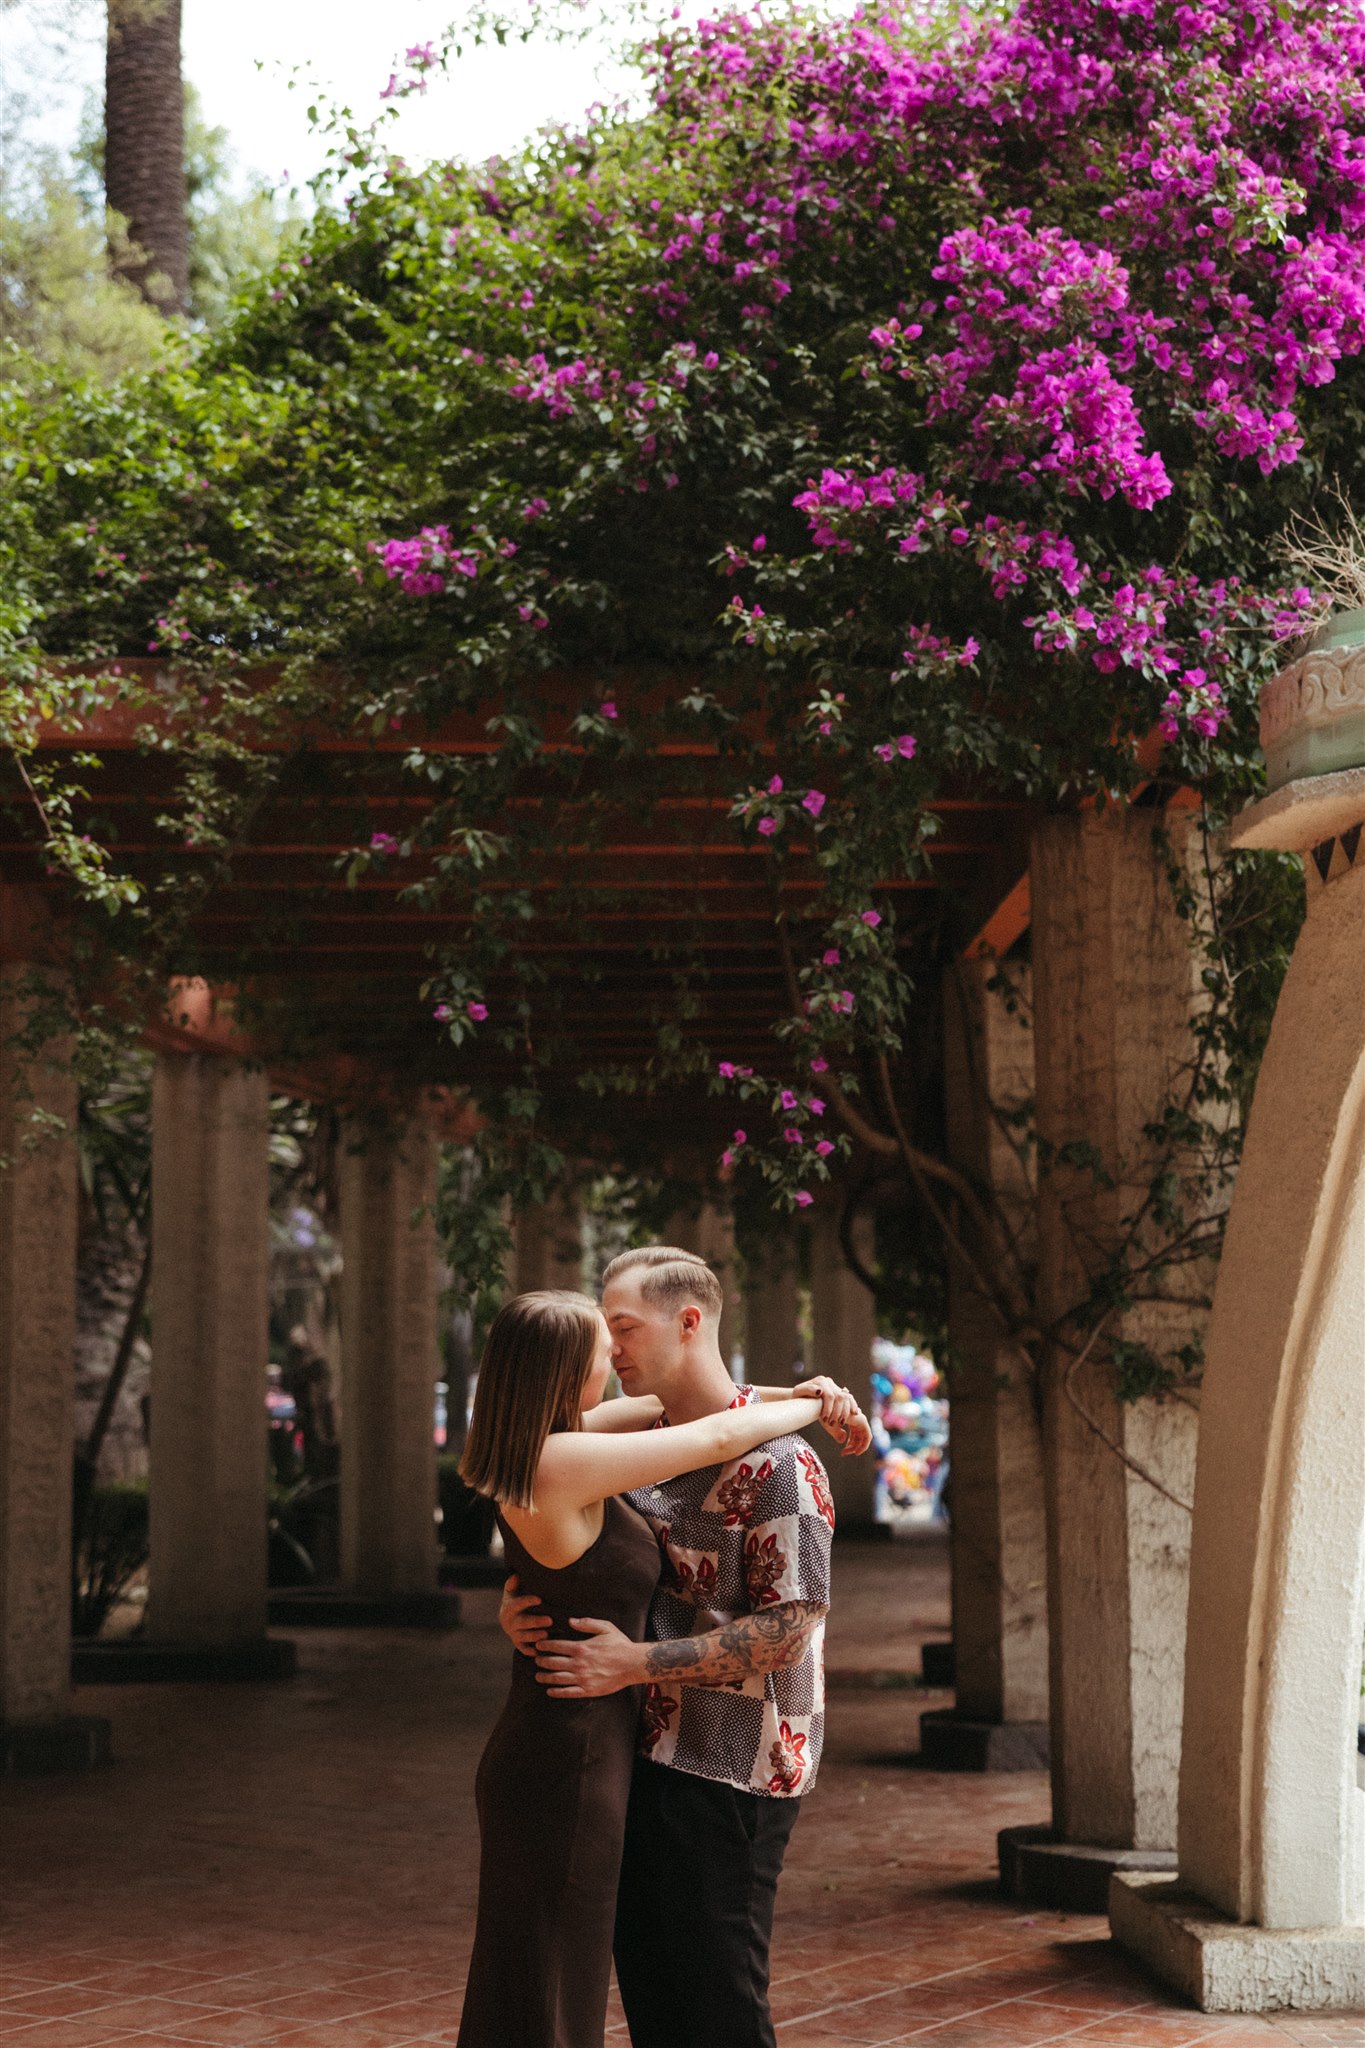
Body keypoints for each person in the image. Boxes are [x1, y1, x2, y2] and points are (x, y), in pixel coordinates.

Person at [456, 1285, 854, 2048]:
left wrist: (811, 1393)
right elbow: (708, 1443)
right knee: (548, 1982)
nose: (612, 1354)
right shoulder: (560, 1458)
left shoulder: (554, 1437)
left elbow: (702, 1415)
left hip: (605, 1740)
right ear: (560, 1369)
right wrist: (820, 1408)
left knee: (567, 1977)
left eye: (621, 1333)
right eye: (598, 1344)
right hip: (569, 1746)